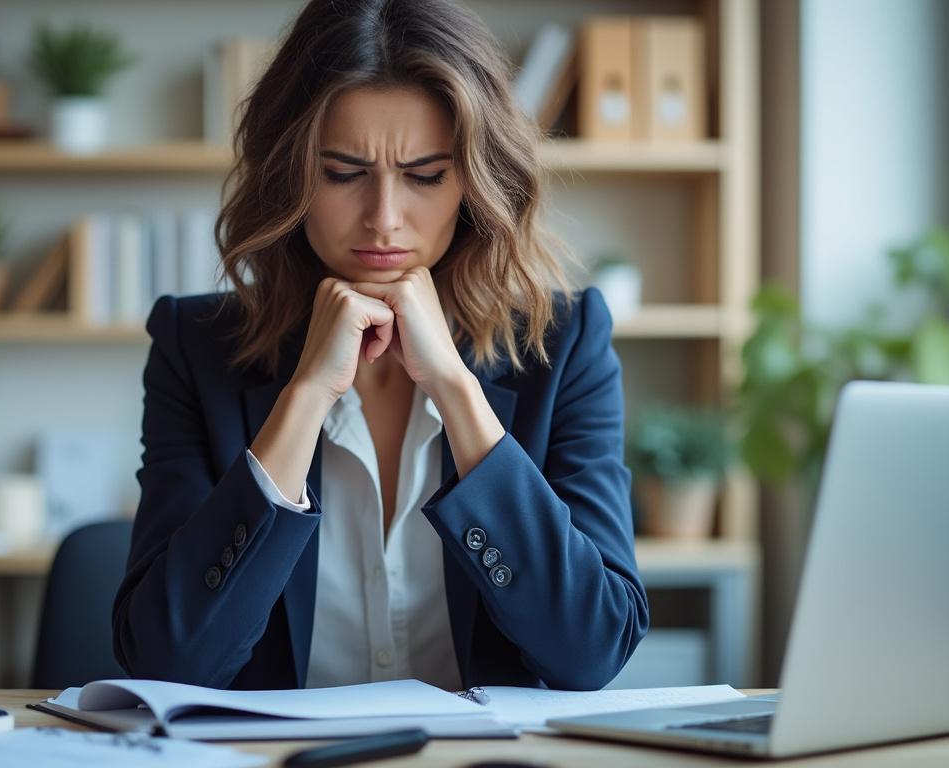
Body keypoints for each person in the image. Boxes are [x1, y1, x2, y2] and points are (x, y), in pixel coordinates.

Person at [112, 0, 648, 692]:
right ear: (289, 175)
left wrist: (456, 390)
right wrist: (305, 397)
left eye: (425, 176)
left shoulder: (565, 346)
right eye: (342, 173)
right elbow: (168, 661)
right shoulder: (195, 348)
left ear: (476, 181)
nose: (384, 218)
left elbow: (592, 651)